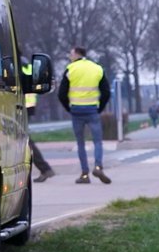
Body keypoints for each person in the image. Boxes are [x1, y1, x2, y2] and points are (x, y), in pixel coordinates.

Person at [56, 45, 110, 184]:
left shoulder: (70, 69)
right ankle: (98, 166)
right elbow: (106, 92)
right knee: (97, 141)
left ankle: (84, 174)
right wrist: (100, 107)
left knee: (81, 143)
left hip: (76, 111)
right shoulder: (97, 68)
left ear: (76, 54)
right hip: (93, 110)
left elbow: (61, 93)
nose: (70, 56)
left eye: (71, 54)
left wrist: (69, 108)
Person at [20, 57, 55, 182]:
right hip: (26, 106)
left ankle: (44, 169)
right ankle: (44, 169)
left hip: (20, 106)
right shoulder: (25, 63)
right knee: (25, 140)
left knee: (25, 140)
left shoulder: (16, 63)